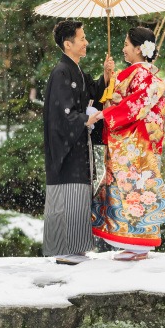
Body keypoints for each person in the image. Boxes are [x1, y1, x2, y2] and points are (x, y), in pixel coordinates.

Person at [92, 27, 165, 261]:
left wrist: (107, 112)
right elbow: (122, 98)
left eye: (127, 44)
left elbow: (134, 104)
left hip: (136, 141)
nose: (123, 48)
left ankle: (139, 244)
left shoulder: (142, 74)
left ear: (139, 49)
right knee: (136, 190)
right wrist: (109, 78)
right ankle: (137, 244)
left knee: (135, 189)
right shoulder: (138, 73)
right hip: (140, 140)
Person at [43, 20, 113, 264]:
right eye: (82, 38)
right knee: (69, 193)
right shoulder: (61, 72)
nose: (86, 42)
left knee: (79, 194)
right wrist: (85, 118)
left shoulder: (77, 72)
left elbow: (93, 91)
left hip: (78, 146)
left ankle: (76, 248)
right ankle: (64, 249)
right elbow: (63, 113)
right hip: (67, 147)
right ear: (67, 44)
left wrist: (105, 76)